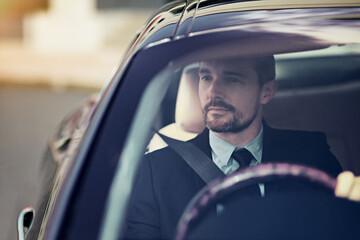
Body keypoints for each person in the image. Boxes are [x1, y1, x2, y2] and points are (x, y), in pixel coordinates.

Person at [125, 56, 358, 239]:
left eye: (232, 79)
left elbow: (344, 228)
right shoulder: (157, 170)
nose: (213, 92)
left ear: (266, 91)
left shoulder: (310, 154)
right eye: (206, 77)